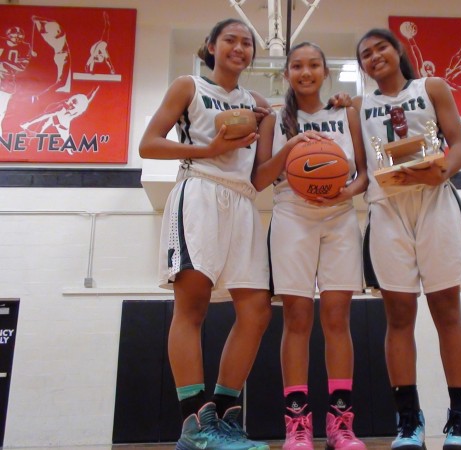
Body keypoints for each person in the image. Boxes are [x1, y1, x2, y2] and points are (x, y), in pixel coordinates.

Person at [139, 18, 274, 450]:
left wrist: (291, 145)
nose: (239, 47)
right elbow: (149, 144)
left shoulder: (258, 103)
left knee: (256, 311)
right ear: (211, 46)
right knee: (192, 307)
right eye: (230, 40)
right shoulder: (188, 87)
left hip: (242, 202)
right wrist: (209, 149)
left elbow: (256, 177)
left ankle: (224, 416)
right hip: (198, 190)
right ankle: (194, 424)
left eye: (247, 42)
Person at [353, 29, 461, 450]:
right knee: (398, 317)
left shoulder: (432, 87)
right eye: (365, 55)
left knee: (448, 310)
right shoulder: (358, 106)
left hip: (434, 203)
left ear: (398, 51)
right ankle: (408, 421)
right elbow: (361, 169)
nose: (374, 57)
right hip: (386, 209)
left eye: (380, 48)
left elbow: (460, 144)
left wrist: (443, 170)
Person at [252, 42, 368, 450]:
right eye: (297, 66)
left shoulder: (346, 112)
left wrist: (346, 193)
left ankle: (341, 425)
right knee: (297, 320)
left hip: (339, 215)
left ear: (325, 70)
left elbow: (365, 175)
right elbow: (260, 179)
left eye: (313, 65)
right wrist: (292, 146)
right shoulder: (273, 119)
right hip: (291, 214)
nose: (305, 72)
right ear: (286, 73)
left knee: (337, 319)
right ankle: (297, 426)